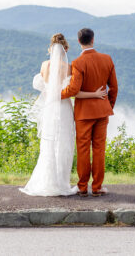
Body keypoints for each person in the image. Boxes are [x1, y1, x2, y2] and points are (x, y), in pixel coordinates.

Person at [20, 33, 107, 196]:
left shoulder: (44, 65)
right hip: (64, 108)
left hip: (49, 107)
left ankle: (46, 181)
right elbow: (74, 92)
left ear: (51, 49)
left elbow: (42, 87)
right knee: (64, 144)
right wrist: (94, 94)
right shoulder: (68, 68)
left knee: (48, 144)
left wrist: (51, 92)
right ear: (65, 49)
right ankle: (61, 183)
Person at [60, 27, 117, 196]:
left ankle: (83, 187)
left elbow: (73, 89)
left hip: (84, 114)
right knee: (99, 149)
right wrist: (108, 105)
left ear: (79, 42)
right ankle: (98, 187)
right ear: (93, 39)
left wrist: (56, 95)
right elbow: (114, 87)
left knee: (83, 149)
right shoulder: (107, 59)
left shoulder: (78, 63)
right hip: (102, 111)